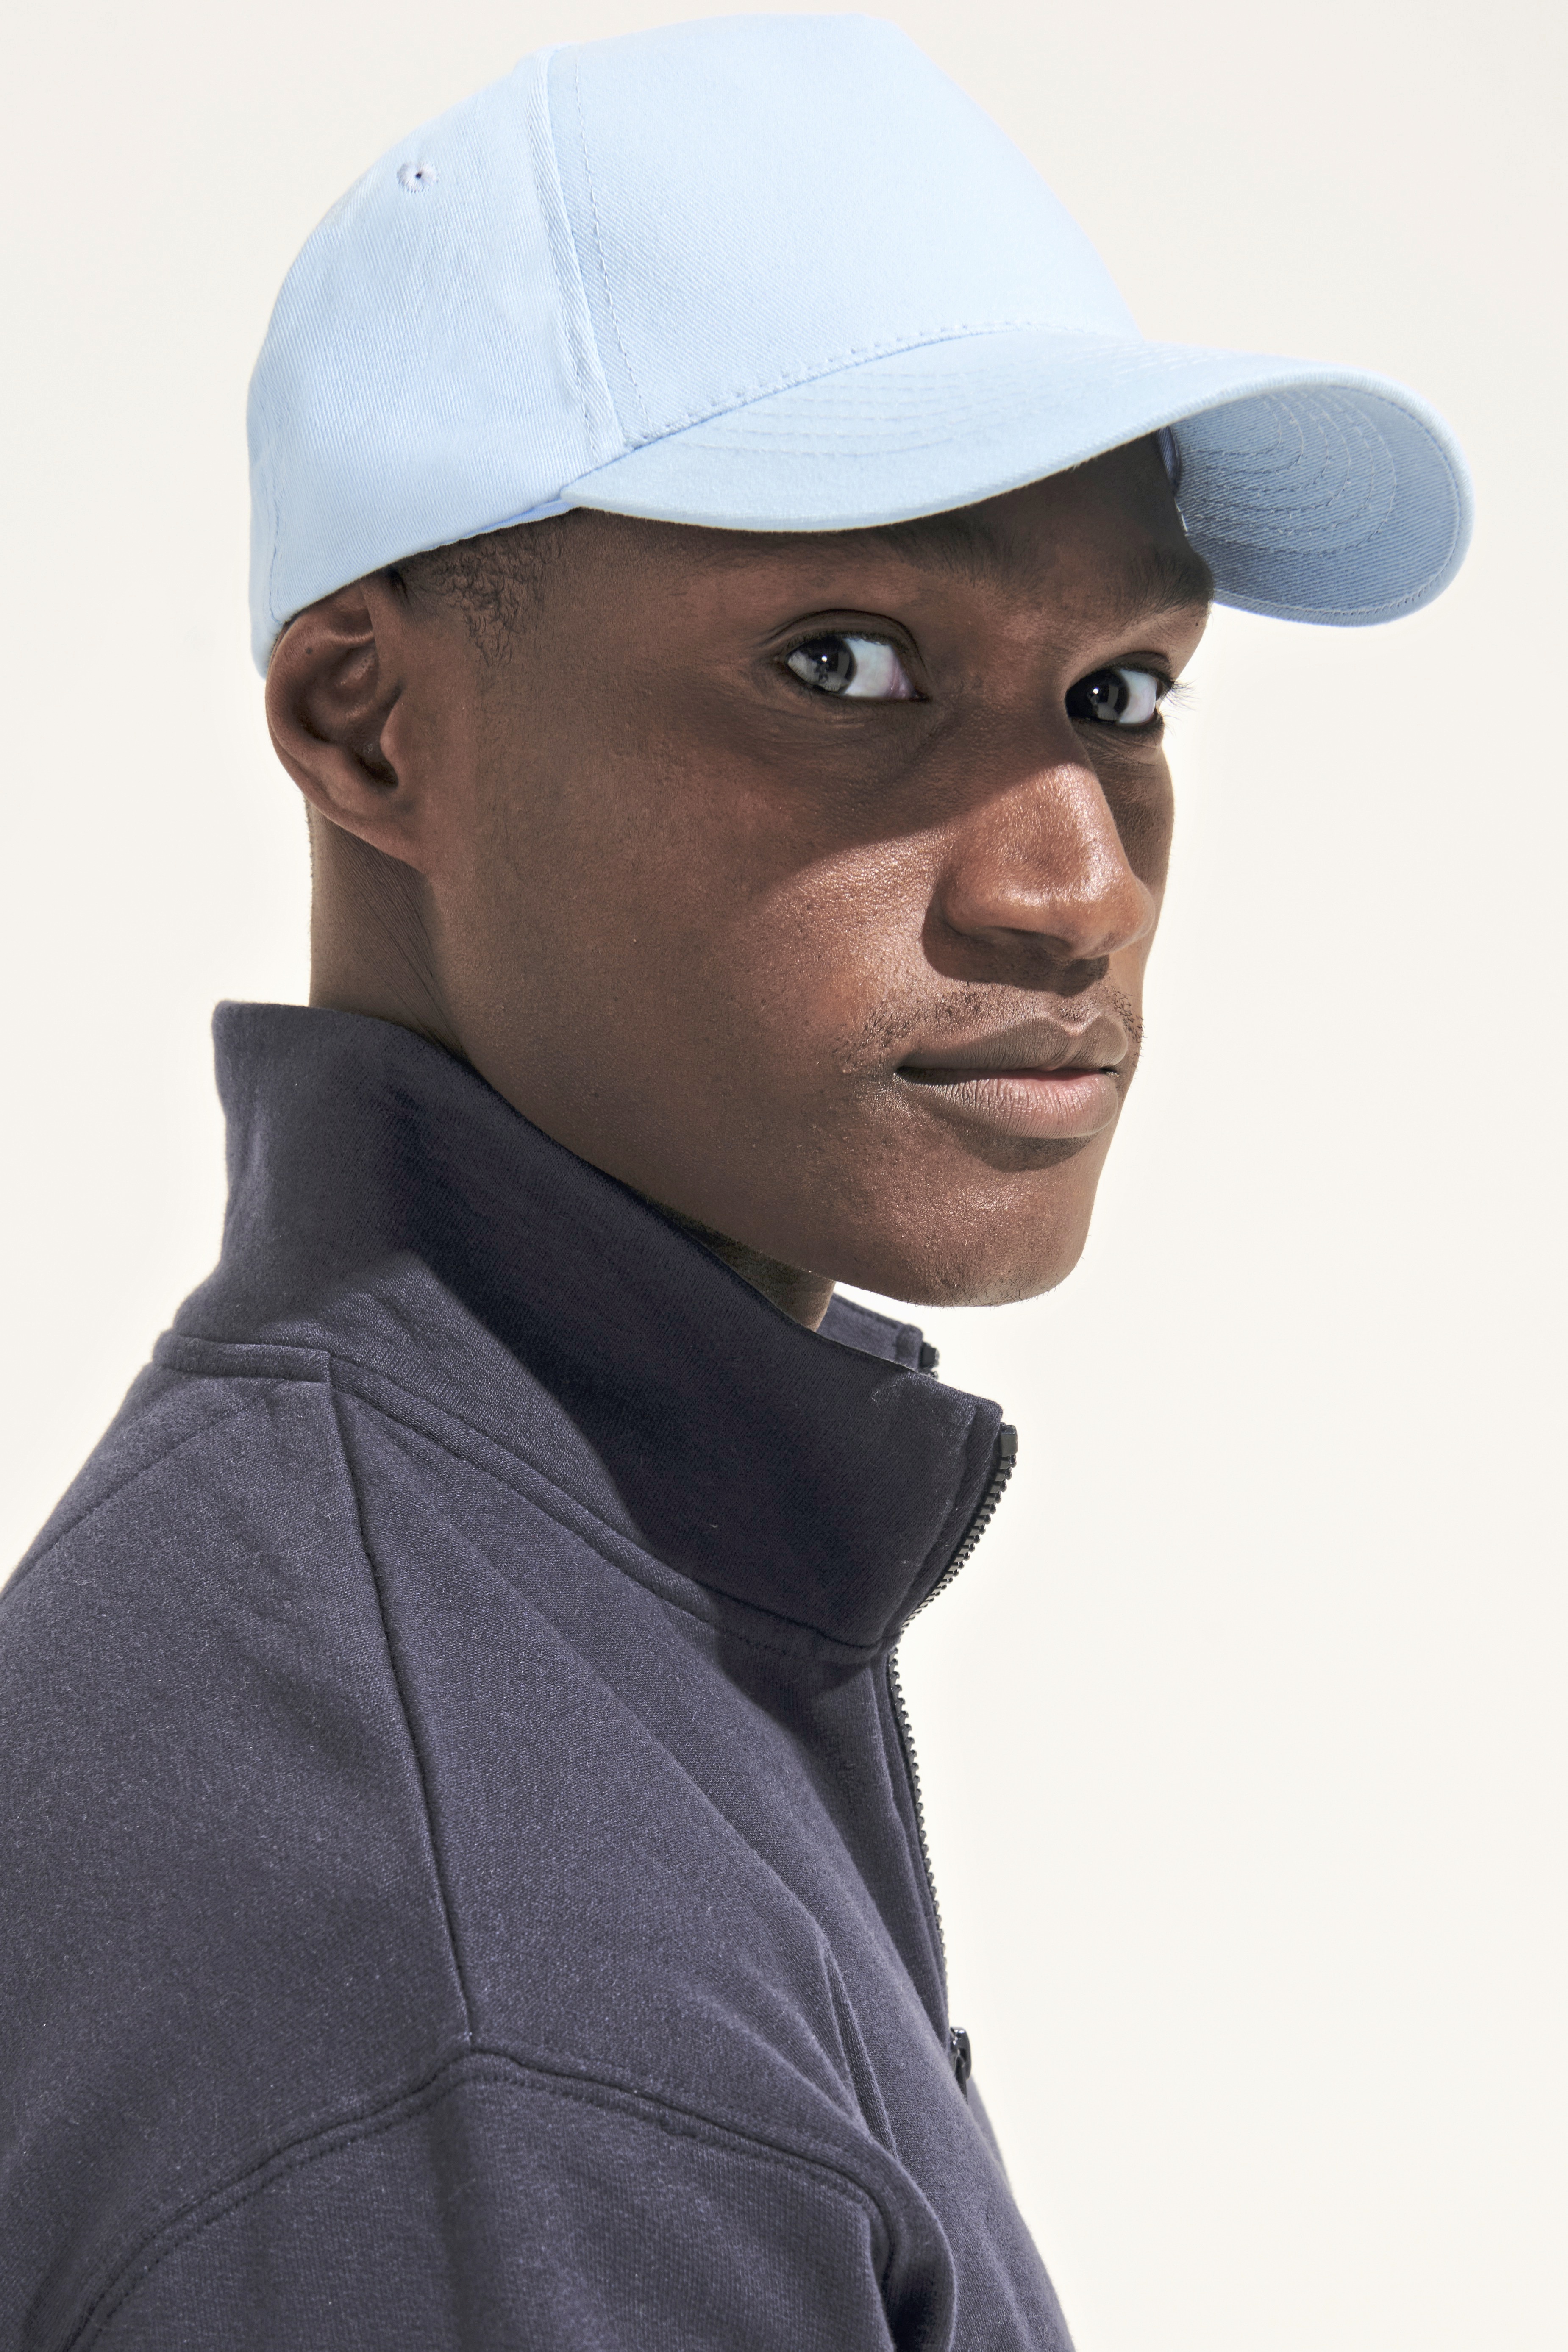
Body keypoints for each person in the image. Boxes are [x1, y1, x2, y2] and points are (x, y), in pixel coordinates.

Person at [0, 15, 1470, 2350]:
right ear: (368, 721)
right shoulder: (489, 1985)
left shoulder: (519, 1607)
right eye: (846, 661)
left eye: (1118, 693)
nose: (1073, 887)